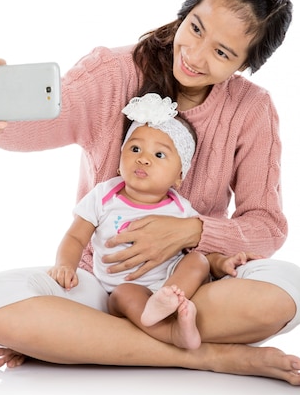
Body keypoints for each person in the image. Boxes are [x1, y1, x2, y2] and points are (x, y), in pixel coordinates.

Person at [0, 0, 300, 385]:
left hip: (182, 290)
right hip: (96, 286)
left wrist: (190, 232)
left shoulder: (251, 109)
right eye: (196, 27)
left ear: (246, 63)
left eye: (222, 52)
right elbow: (44, 123)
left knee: (291, 289)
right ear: (187, 8)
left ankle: (86, 341)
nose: (196, 56)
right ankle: (207, 357)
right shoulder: (114, 72)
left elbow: (266, 225)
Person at [48, 92, 255, 350]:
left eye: (159, 155)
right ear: (120, 159)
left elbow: (199, 247)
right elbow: (76, 237)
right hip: (124, 287)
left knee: (197, 261)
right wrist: (65, 266)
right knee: (124, 295)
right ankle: (171, 333)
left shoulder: (180, 208)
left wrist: (221, 262)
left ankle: (167, 300)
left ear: (179, 176)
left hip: (169, 282)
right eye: (135, 149)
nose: (143, 158)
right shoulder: (104, 196)